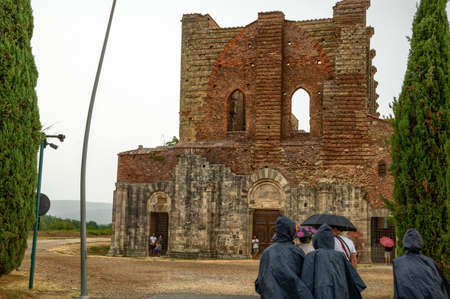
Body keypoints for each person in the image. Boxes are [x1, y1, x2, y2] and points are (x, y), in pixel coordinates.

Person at [255, 215, 313, 299]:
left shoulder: (267, 252)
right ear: (290, 231)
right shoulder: (296, 252)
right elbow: (304, 278)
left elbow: (260, 281)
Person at [301, 224, 366, 299]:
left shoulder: (311, 256)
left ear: (316, 240)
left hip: (319, 292)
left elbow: (306, 281)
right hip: (340, 291)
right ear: (331, 240)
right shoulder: (340, 256)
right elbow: (353, 279)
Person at [393, 228, 449, 299]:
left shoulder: (398, 263)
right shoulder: (429, 262)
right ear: (420, 242)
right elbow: (442, 285)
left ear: (404, 242)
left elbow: (397, 291)